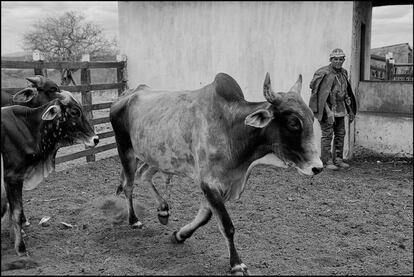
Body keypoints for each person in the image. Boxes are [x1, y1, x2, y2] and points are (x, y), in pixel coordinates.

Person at [309, 48, 357, 170]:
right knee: (327, 134)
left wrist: (350, 110)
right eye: (335, 59)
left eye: (341, 59)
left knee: (341, 133)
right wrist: (328, 112)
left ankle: (338, 159)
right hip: (326, 109)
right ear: (331, 59)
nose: (338, 61)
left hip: (340, 108)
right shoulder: (323, 72)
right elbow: (320, 94)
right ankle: (326, 160)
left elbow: (346, 92)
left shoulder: (344, 73)